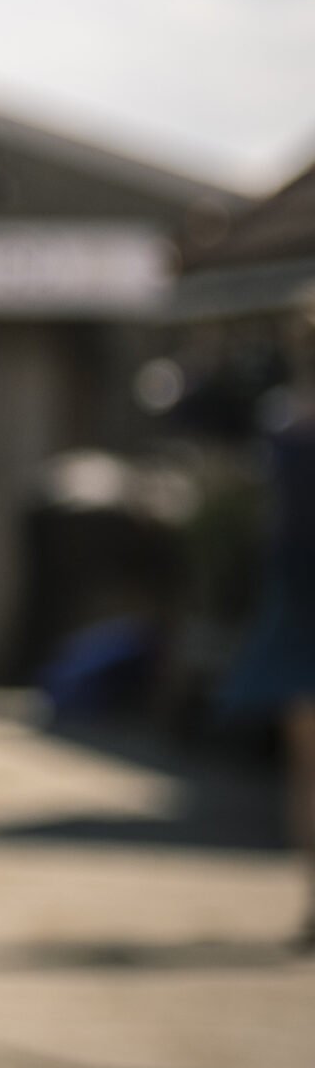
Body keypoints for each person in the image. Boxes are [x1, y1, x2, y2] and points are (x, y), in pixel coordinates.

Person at [219, 310, 315, 951]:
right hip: (299, 602)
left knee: (306, 766)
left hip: (297, 599)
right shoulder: (286, 425)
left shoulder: (286, 424)